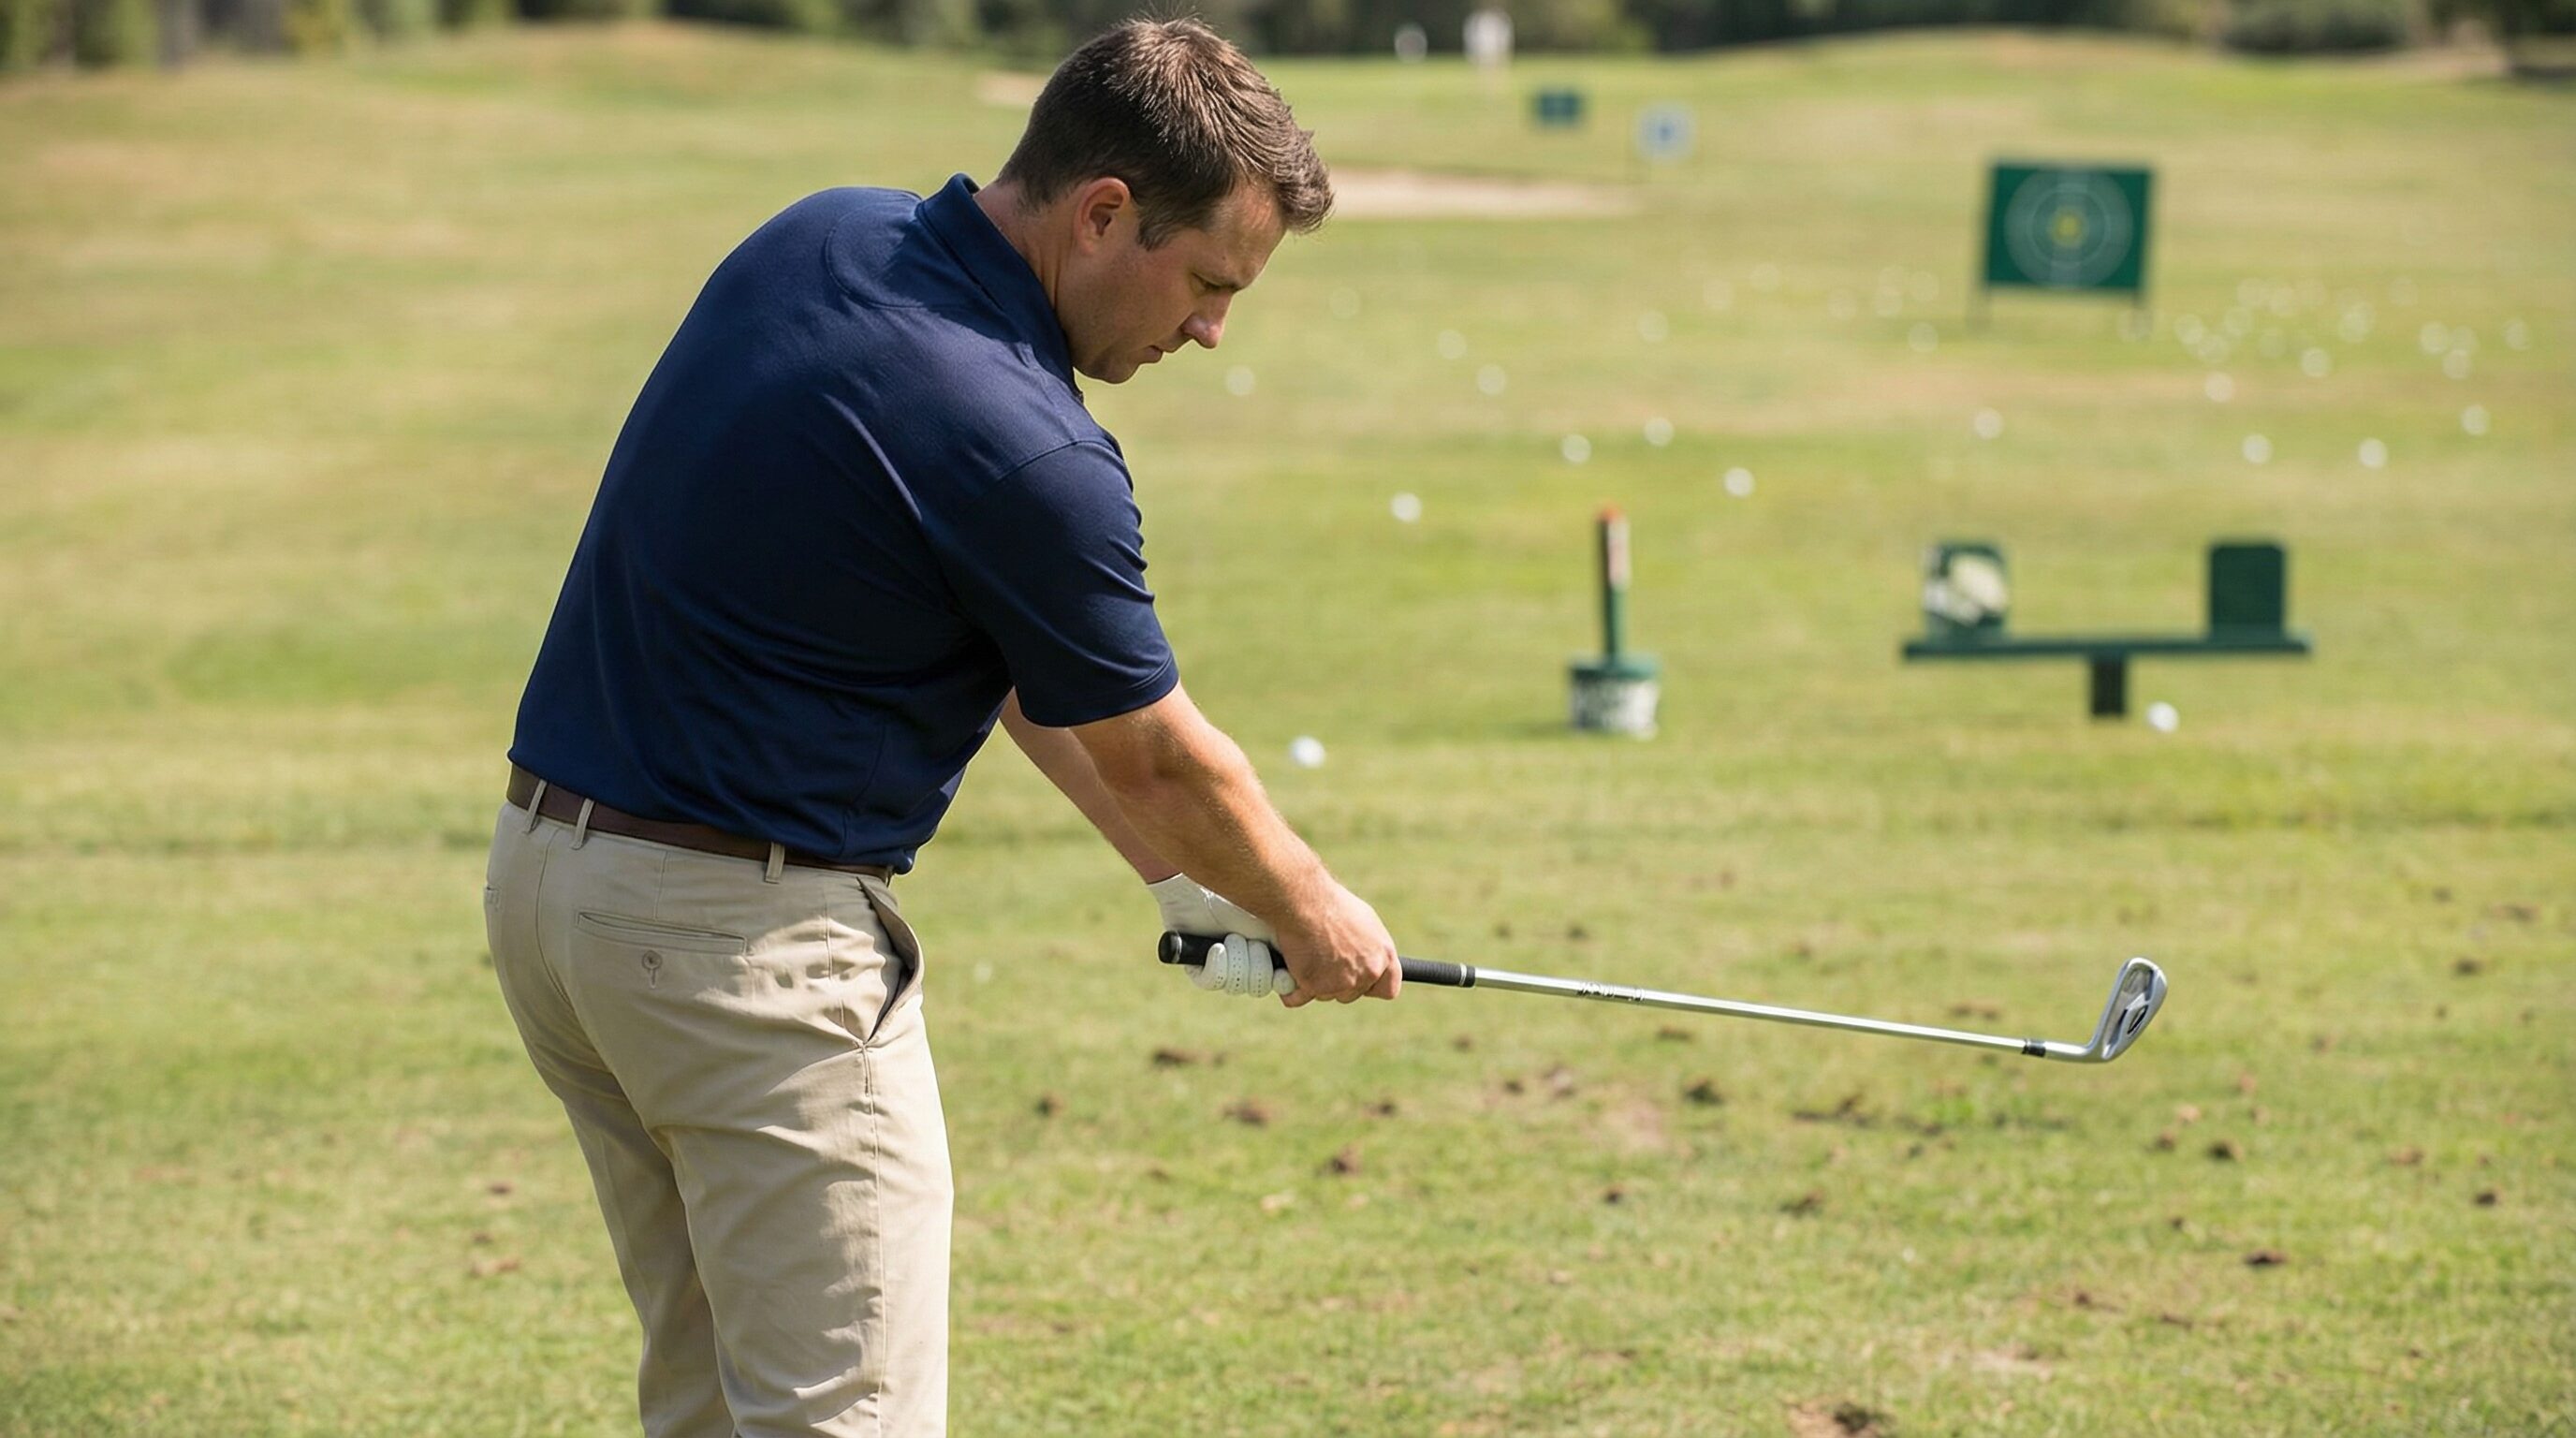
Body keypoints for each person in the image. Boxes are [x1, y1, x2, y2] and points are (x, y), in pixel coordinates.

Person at [479, 18, 1400, 1438]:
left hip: (559, 902)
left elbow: (1033, 679)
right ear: (1105, 214)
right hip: (736, 959)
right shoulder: (1027, 442)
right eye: (1210, 283)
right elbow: (1160, 748)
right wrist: (1319, 913)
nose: (1213, 330)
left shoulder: (824, 237)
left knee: (715, 1407)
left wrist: (1180, 884)